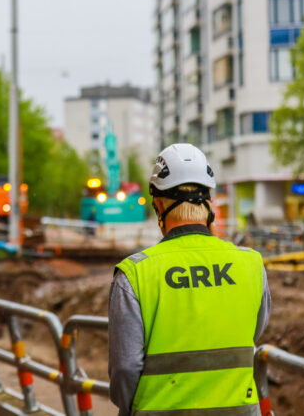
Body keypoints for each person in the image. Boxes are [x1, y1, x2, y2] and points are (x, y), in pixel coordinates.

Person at [108, 143, 271, 416]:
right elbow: (251, 332)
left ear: (158, 205)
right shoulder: (251, 263)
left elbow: (125, 369)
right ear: (210, 203)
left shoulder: (135, 274)